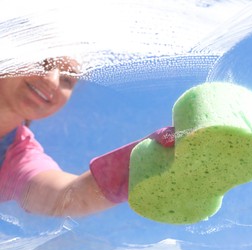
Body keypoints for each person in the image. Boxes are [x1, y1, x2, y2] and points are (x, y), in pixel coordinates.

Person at [0, 57, 174, 217]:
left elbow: (68, 198)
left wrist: (146, 160)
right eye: (43, 62)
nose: (52, 81)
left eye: (67, 79)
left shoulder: (18, 158)